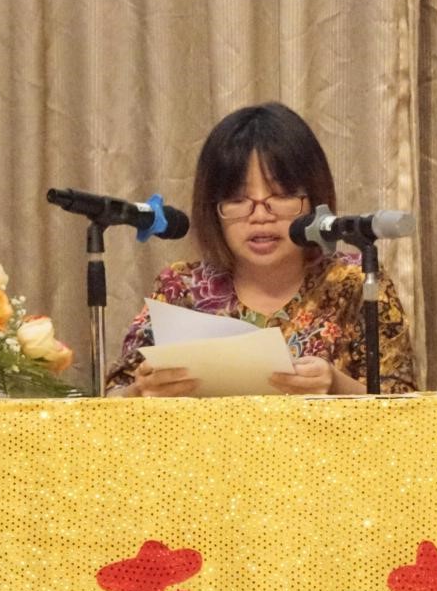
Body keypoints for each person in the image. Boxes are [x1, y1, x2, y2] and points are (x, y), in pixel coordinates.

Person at [107, 102, 417, 396]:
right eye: (238, 199)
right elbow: (111, 398)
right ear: (212, 208)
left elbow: (407, 408)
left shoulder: (356, 281)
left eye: (280, 195)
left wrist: (337, 386)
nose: (260, 216)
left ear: (314, 199)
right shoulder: (180, 288)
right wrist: (141, 391)